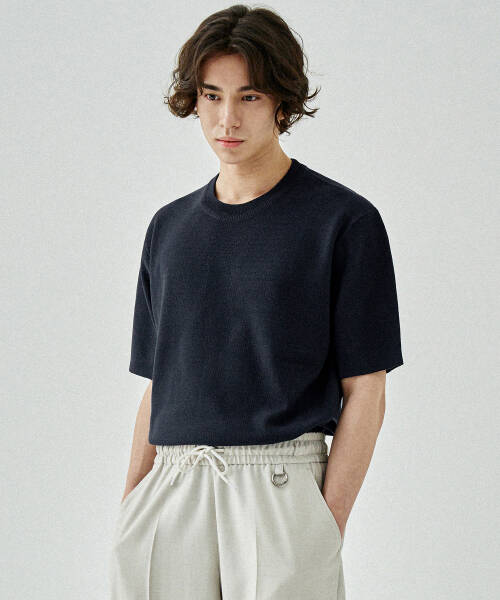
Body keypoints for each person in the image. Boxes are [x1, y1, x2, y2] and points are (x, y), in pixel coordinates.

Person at [109, 5, 403, 599]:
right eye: (211, 95)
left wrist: (324, 527)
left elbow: (366, 388)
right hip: (172, 485)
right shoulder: (169, 229)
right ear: (194, 100)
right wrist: (131, 507)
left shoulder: (342, 222)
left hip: (279, 488)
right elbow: (160, 383)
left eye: (249, 96)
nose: (227, 118)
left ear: (281, 103)